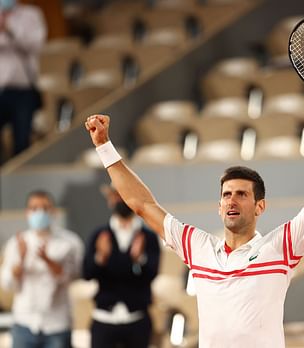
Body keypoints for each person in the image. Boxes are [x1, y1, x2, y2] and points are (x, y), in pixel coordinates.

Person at [84, 90, 304, 347]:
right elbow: (141, 204)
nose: (232, 200)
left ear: (259, 207)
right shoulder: (197, 247)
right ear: (219, 205)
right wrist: (104, 146)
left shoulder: (280, 248)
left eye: (241, 194)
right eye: (226, 195)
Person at [0, 190, 84, 348]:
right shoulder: (16, 243)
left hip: (57, 324)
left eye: (45, 208)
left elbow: (73, 278)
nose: (40, 212)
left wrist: (48, 261)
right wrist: (21, 260)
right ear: (26, 213)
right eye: (34, 208)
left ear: (53, 211)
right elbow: (8, 284)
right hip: (24, 322)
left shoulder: (69, 242)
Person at [82, 185, 160, 348]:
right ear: (109, 200)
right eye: (115, 196)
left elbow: (152, 273)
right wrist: (101, 257)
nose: (119, 200)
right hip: (104, 318)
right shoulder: (99, 235)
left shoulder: (148, 237)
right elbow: (87, 273)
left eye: (123, 195)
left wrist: (139, 259)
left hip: (137, 318)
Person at [0, 0, 46, 160]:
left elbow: (35, 44)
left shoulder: (31, 14)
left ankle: (22, 181)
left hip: (23, 90)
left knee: (22, 142)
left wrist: (9, 29)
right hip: (1, 90)